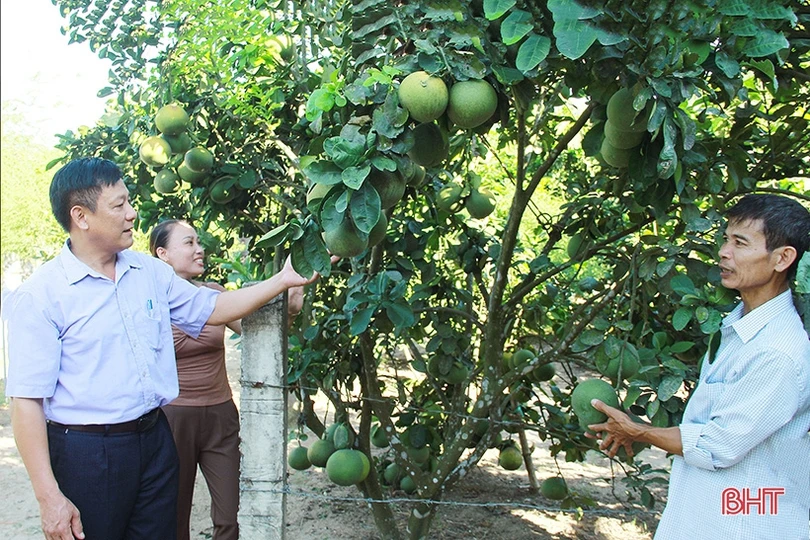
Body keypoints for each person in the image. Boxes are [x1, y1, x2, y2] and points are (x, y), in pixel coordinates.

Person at [3, 157, 329, 540]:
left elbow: (214, 308)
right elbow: (26, 401)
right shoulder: (42, 295)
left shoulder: (149, 273)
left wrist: (283, 279)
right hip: (88, 453)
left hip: (155, 438)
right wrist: (48, 497)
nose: (132, 213)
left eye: (129, 201)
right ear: (81, 216)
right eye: (119, 205)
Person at [588, 194, 810, 539]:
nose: (724, 252)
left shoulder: (778, 351)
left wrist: (639, 431)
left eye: (740, 243)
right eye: (725, 239)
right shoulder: (738, 328)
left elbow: (716, 444)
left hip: (745, 528)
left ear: (782, 258)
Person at [149, 219, 303, 540]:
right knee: (172, 517)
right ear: (163, 253)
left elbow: (255, 332)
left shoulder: (214, 295)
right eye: (189, 243)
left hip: (220, 416)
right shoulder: (148, 301)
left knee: (232, 516)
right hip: (172, 418)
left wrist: (292, 298)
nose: (200, 249)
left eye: (198, 242)